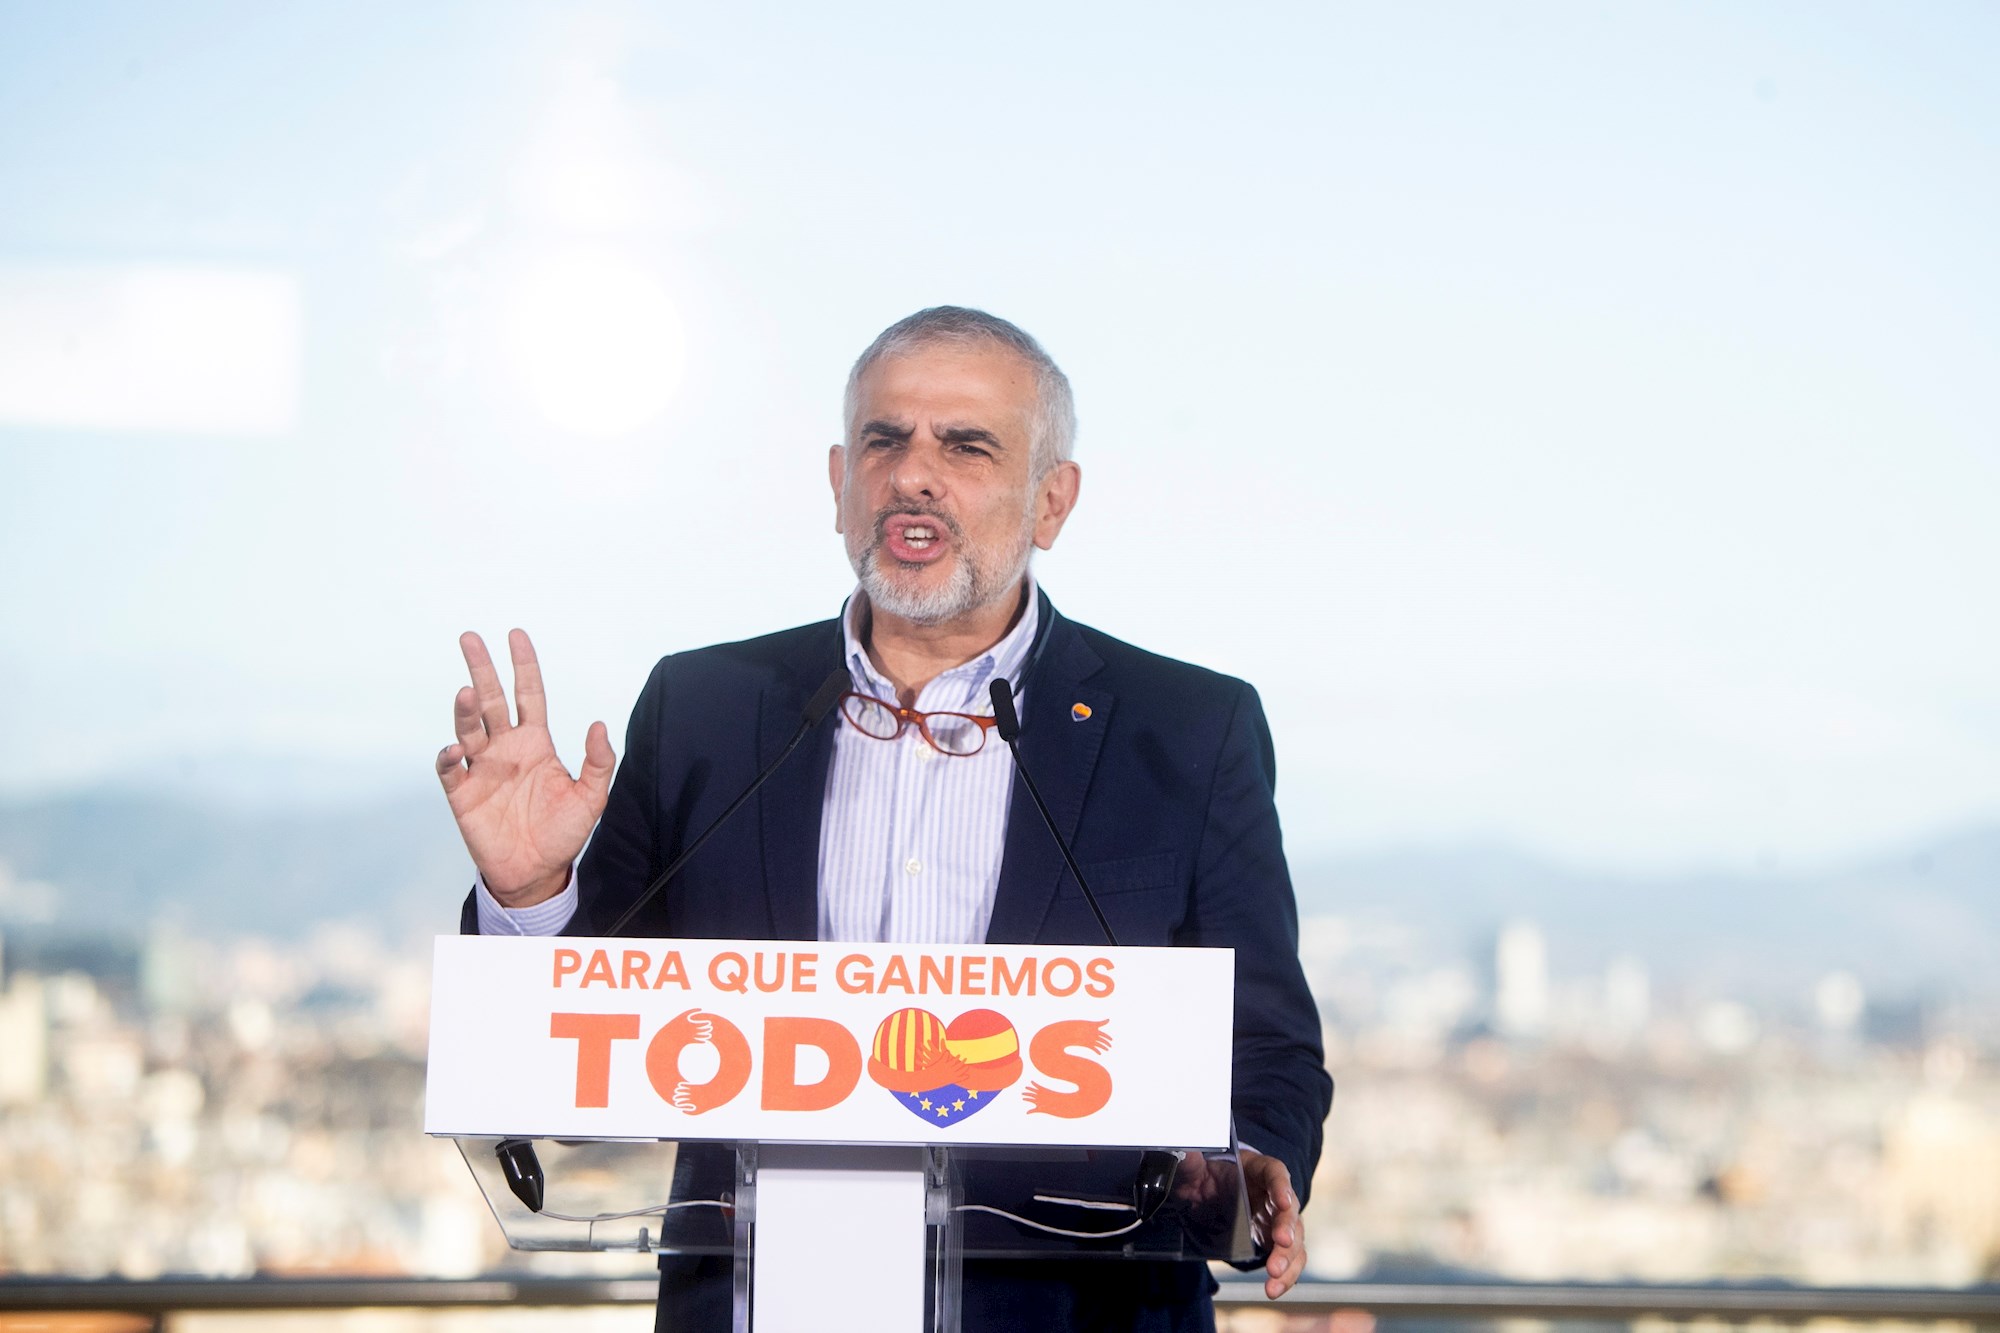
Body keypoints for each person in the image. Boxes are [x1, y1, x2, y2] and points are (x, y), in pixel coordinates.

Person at [436, 307, 1332, 1331]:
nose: (913, 473)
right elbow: (575, 1046)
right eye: (884, 439)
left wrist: (1250, 1161)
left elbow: (1264, 1047)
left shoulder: (1183, 729)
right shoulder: (706, 709)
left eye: (964, 445)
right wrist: (527, 894)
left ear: (1052, 499)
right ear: (836, 483)